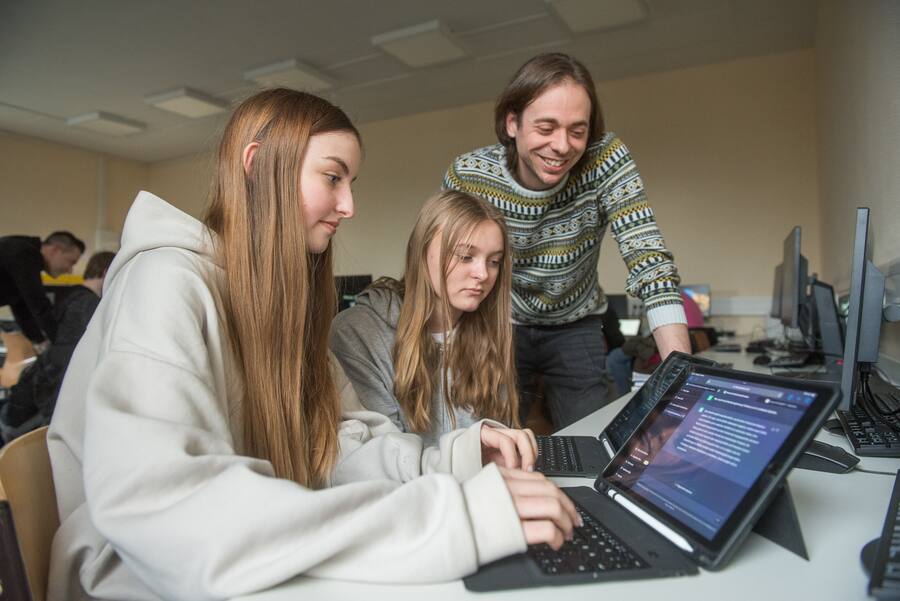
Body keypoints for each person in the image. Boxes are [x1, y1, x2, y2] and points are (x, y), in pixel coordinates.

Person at [47, 88, 579, 601]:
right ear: (258, 166)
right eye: (333, 177)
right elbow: (172, 508)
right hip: (139, 575)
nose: (348, 205)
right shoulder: (166, 281)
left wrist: (460, 460)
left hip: (230, 555)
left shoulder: (278, 308)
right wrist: (452, 519)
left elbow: (336, 445)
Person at [443, 52, 691, 428]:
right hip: (499, 323)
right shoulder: (470, 176)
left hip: (577, 323)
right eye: (546, 128)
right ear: (512, 123)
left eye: (577, 131)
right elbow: (445, 269)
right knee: (493, 437)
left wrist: (681, 378)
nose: (562, 146)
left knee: (590, 437)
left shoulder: (605, 160)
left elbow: (648, 257)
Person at [330, 190, 521, 448]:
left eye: (494, 261)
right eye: (465, 256)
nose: (483, 274)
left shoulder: (489, 329)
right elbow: (383, 453)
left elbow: (497, 437)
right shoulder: (357, 332)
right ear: (421, 252)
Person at [0, 251, 115, 444]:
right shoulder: (90, 309)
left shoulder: (69, 298)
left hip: (17, 409)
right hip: (27, 429)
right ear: (107, 273)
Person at [0, 231, 84, 345]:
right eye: (71, 262)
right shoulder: (24, 253)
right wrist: (62, 343)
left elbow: (23, 308)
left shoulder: (19, 250)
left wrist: (40, 341)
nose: (70, 270)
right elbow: (38, 303)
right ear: (55, 250)